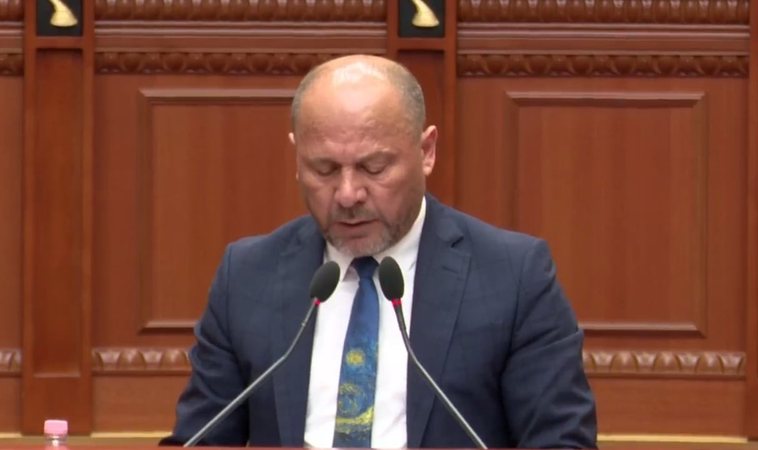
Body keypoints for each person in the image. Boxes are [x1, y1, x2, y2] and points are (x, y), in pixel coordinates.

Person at [163, 54, 597, 449]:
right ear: (297, 158)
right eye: (324, 169)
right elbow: (201, 439)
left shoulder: (514, 277)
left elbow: (562, 442)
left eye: (374, 167)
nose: (348, 194)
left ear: (426, 152)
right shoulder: (247, 275)